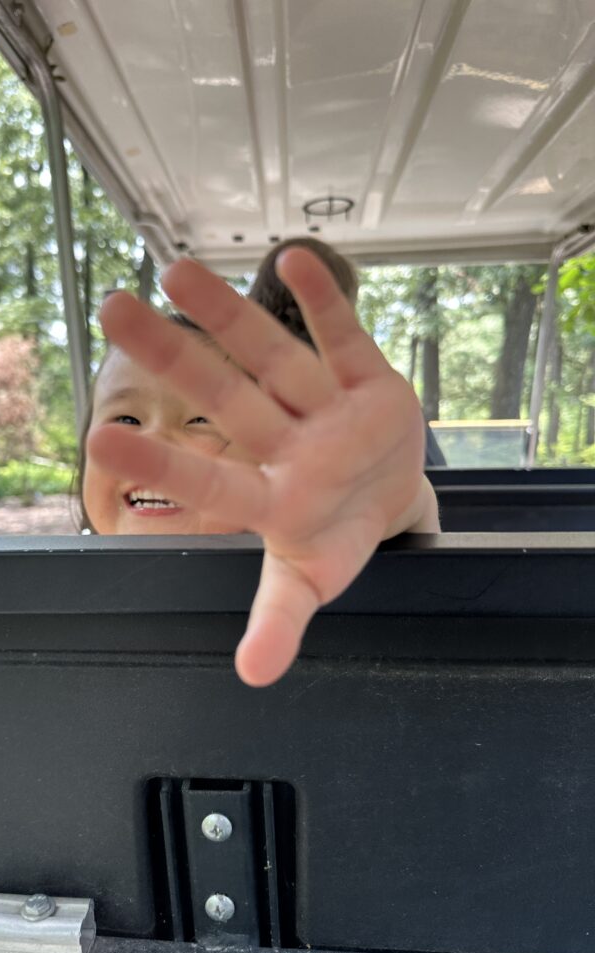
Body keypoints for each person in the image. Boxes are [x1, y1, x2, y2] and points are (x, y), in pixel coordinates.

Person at [82, 247, 440, 687]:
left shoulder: (310, 558)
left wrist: (376, 498)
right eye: (126, 420)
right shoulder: (50, 593)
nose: (152, 440)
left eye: (200, 420)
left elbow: (410, 509)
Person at [249, 236, 447, 467]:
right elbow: (433, 473)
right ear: (346, 302)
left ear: (258, 293)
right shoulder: (376, 386)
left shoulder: (228, 378)